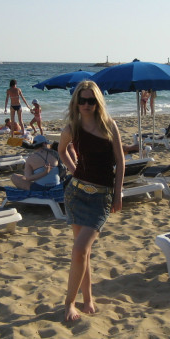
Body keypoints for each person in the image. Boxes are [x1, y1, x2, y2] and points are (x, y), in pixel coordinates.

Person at [58, 80, 124, 322]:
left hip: (101, 197)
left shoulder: (109, 126)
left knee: (80, 249)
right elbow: (61, 151)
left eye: (91, 100)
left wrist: (118, 193)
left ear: (98, 102)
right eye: (82, 100)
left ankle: (70, 302)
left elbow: (120, 162)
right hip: (76, 194)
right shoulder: (72, 129)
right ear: (76, 102)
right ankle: (85, 300)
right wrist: (74, 169)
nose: (86, 104)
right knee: (81, 252)